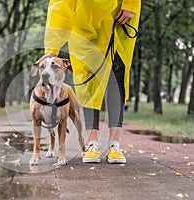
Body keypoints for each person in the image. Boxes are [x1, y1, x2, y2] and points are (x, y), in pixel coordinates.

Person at [37, 0, 141, 163]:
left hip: (118, 17)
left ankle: (115, 144)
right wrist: (52, 49)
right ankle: (92, 143)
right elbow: (60, 6)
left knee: (116, 78)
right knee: (87, 81)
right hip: (84, 24)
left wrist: (131, 4)